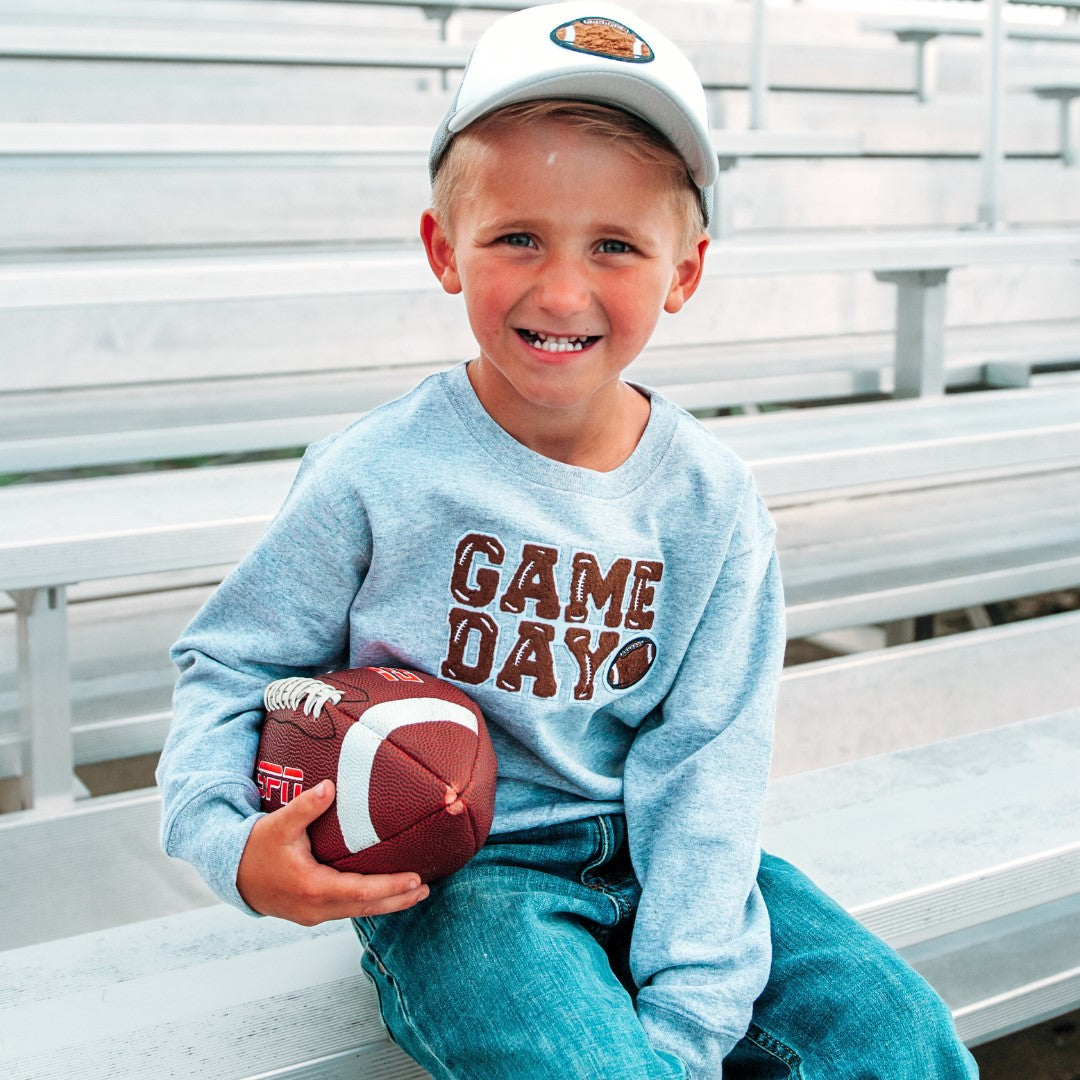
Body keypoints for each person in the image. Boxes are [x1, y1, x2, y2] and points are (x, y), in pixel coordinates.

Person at [157, 3, 979, 1076]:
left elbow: (706, 764)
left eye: (616, 246)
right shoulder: (377, 472)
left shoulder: (714, 504)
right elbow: (233, 663)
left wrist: (688, 1020)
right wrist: (234, 849)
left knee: (897, 1037)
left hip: (664, 852)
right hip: (461, 879)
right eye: (517, 238)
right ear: (443, 249)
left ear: (684, 271)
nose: (561, 289)